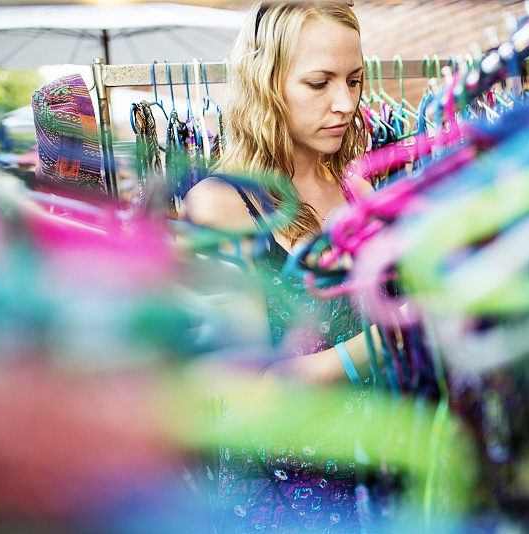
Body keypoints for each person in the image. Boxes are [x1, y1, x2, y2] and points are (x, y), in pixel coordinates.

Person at [179, 2, 377, 531]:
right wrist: (379, 348)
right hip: (277, 508)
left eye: (355, 80)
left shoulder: (360, 188)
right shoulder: (221, 206)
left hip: (375, 489)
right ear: (267, 86)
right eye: (319, 83)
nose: (345, 103)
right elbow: (245, 398)